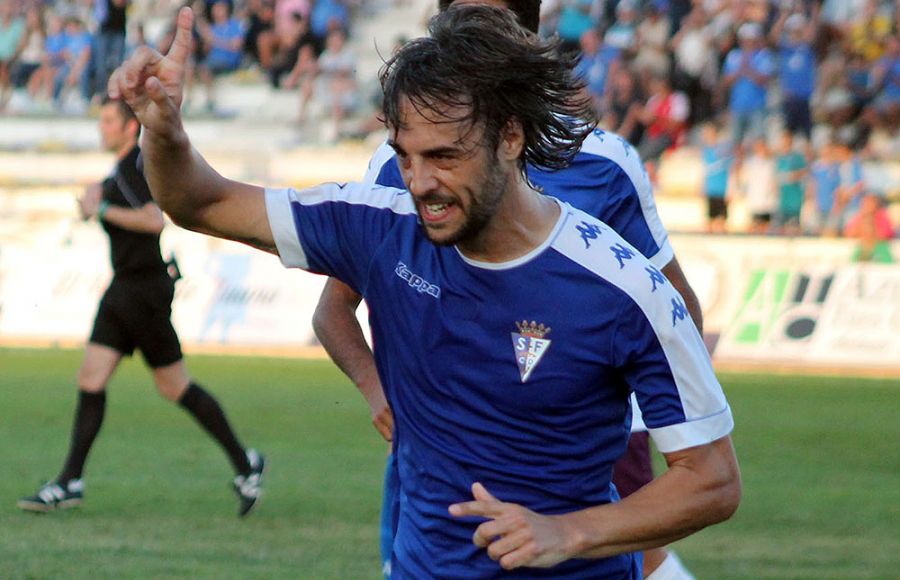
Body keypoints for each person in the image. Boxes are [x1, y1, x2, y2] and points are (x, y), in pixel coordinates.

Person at [109, 5, 740, 577]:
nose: (420, 183)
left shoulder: (624, 287)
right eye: (405, 156)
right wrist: (164, 132)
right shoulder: (378, 226)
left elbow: (712, 480)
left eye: (445, 156)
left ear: (510, 138)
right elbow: (202, 201)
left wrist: (567, 533)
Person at [320, 1, 704, 578]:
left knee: (632, 554)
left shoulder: (603, 162)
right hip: (445, 454)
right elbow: (333, 310)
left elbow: (676, 309)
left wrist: (625, 400)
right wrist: (380, 392)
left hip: (584, 439)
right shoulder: (401, 164)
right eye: (458, 26)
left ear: (525, 41)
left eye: (488, 27)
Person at [16, 97, 265, 517]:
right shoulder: (121, 169)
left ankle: (246, 464)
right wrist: (95, 204)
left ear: (130, 128)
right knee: (93, 379)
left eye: (109, 121)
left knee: (174, 386)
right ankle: (70, 481)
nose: (102, 128)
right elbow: (119, 211)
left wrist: (104, 207)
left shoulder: (135, 166)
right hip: (127, 289)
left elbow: (153, 219)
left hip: (143, 291)